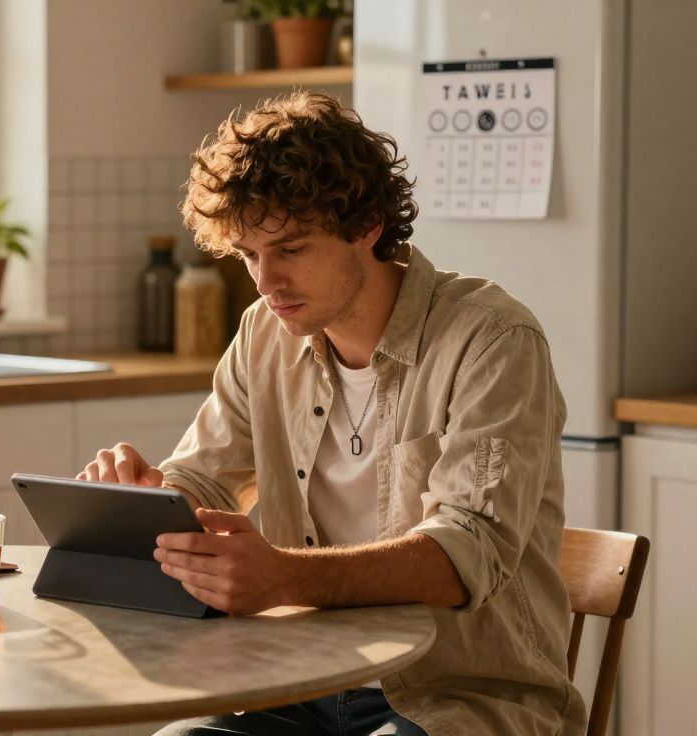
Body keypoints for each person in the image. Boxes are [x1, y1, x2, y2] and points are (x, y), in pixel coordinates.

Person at [79, 93, 586, 736]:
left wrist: (284, 577)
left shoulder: (491, 340)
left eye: (291, 249)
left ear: (367, 224)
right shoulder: (265, 332)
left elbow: (469, 552)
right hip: (297, 679)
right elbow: (205, 480)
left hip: (458, 694)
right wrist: (151, 499)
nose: (266, 281)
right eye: (248, 255)